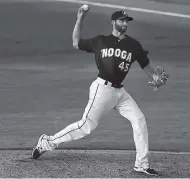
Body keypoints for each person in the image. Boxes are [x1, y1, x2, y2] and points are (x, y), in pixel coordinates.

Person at [32, 5, 168, 176]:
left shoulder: (134, 45)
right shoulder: (100, 41)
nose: (124, 23)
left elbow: (146, 66)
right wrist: (80, 17)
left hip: (120, 93)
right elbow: (76, 43)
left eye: (126, 21)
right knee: (86, 126)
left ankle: (141, 164)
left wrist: (156, 79)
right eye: (121, 20)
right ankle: (47, 142)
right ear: (113, 22)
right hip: (102, 89)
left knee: (139, 120)